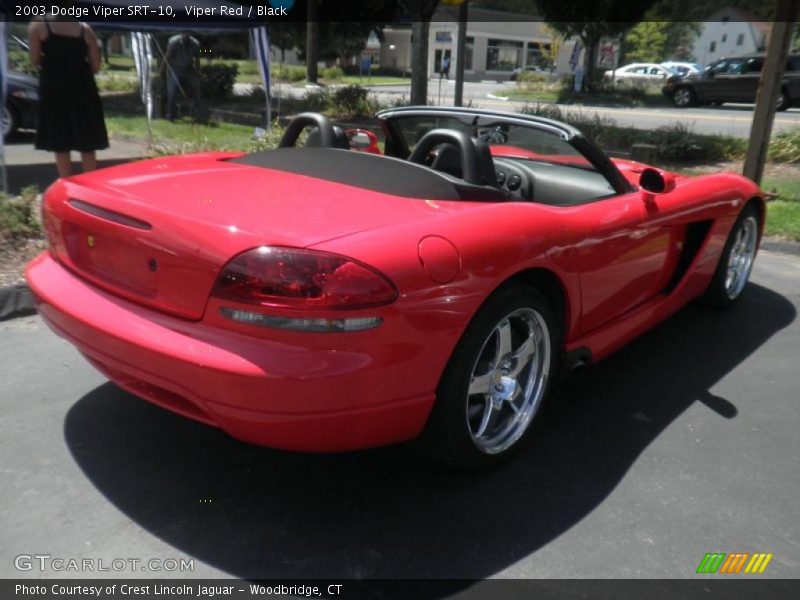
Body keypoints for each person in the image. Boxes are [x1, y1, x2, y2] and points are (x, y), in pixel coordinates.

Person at [28, 17, 109, 178]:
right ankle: (90, 183)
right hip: (83, 88)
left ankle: (66, 184)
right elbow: (96, 65)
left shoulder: (38, 26)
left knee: (60, 141)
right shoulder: (85, 29)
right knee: (87, 141)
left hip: (54, 87)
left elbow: (34, 59)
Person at [164, 32, 201, 121]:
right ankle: (170, 114)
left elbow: (197, 59)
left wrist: (197, 72)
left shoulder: (195, 44)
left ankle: (197, 113)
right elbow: (167, 56)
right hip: (176, 68)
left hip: (189, 68)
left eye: (188, 33)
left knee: (195, 89)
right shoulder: (174, 41)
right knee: (172, 91)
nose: (186, 35)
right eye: (185, 33)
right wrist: (162, 72)